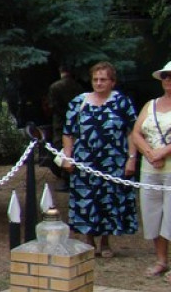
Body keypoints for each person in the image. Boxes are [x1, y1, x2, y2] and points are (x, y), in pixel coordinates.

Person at [61, 61, 138, 257]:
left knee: (109, 200)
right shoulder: (79, 102)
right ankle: (88, 240)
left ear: (112, 82)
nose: (98, 83)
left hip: (113, 161)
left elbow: (132, 132)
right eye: (95, 79)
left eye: (103, 79)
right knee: (87, 200)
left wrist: (132, 158)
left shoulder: (122, 102)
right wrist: (67, 157)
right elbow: (68, 133)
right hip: (85, 162)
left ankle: (105, 241)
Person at [131, 61, 171, 278]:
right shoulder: (151, 105)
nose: (168, 80)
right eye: (165, 76)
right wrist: (149, 152)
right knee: (153, 213)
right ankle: (161, 260)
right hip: (150, 169)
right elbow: (137, 132)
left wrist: (162, 153)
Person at [47, 65, 83, 191]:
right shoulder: (77, 86)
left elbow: (52, 106)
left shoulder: (55, 87)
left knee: (59, 149)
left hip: (60, 122)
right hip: (75, 121)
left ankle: (65, 178)